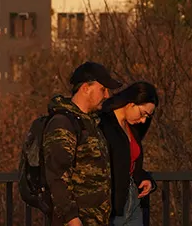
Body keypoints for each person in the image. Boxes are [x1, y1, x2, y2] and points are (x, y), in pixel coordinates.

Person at [43, 62, 122, 226]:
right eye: (103, 89)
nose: (107, 95)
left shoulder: (91, 124)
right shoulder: (63, 123)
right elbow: (57, 175)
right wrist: (72, 219)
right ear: (86, 88)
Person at [97, 82, 159, 226]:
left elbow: (128, 161)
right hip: (111, 204)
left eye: (147, 117)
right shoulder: (102, 123)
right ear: (131, 103)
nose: (143, 120)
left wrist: (144, 178)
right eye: (143, 114)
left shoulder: (132, 127)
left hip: (133, 199)